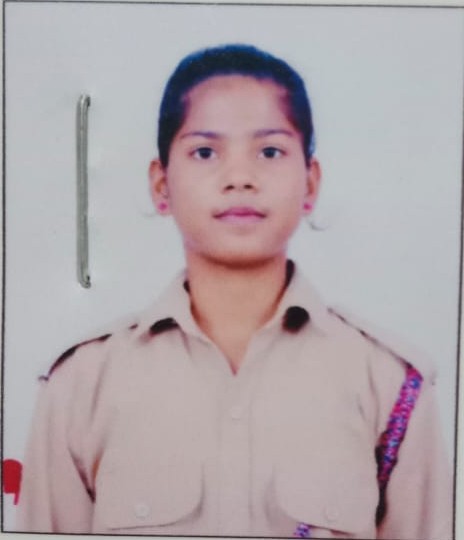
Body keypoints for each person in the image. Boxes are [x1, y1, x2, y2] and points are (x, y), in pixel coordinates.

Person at [17, 44, 452, 539]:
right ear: (161, 184)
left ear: (310, 183)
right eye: (205, 152)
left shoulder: (390, 384)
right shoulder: (82, 386)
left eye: (270, 152)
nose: (240, 178)